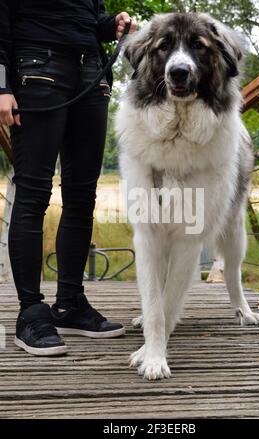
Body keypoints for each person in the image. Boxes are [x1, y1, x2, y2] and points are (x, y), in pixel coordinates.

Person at [0, 0, 137, 356]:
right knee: (33, 192)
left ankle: (70, 304)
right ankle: (31, 314)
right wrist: (1, 85)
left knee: (82, 195)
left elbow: (91, 18)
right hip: (37, 69)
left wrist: (113, 25)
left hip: (91, 74)